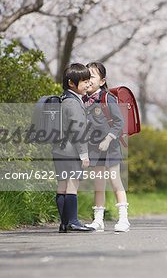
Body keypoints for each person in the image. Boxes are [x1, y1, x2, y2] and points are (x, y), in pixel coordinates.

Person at [83, 61, 130, 232]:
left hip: (110, 148)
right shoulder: (84, 100)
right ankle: (98, 220)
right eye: (86, 77)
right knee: (99, 185)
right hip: (94, 148)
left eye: (92, 77)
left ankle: (123, 218)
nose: (88, 80)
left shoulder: (107, 98)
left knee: (115, 181)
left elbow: (119, 123)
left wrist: (108, 139)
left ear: (102, 81)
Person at [52, 63, 94, 233]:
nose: (87, 85)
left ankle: (64, 223)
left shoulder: (62, 99)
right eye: (84, 81)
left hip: (58, 150)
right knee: (72, 185)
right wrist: (84, 154)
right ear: (71, 83)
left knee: (62, 185)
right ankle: (74, 221)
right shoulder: (73, 103)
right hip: (71, 152)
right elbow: (78, 130)